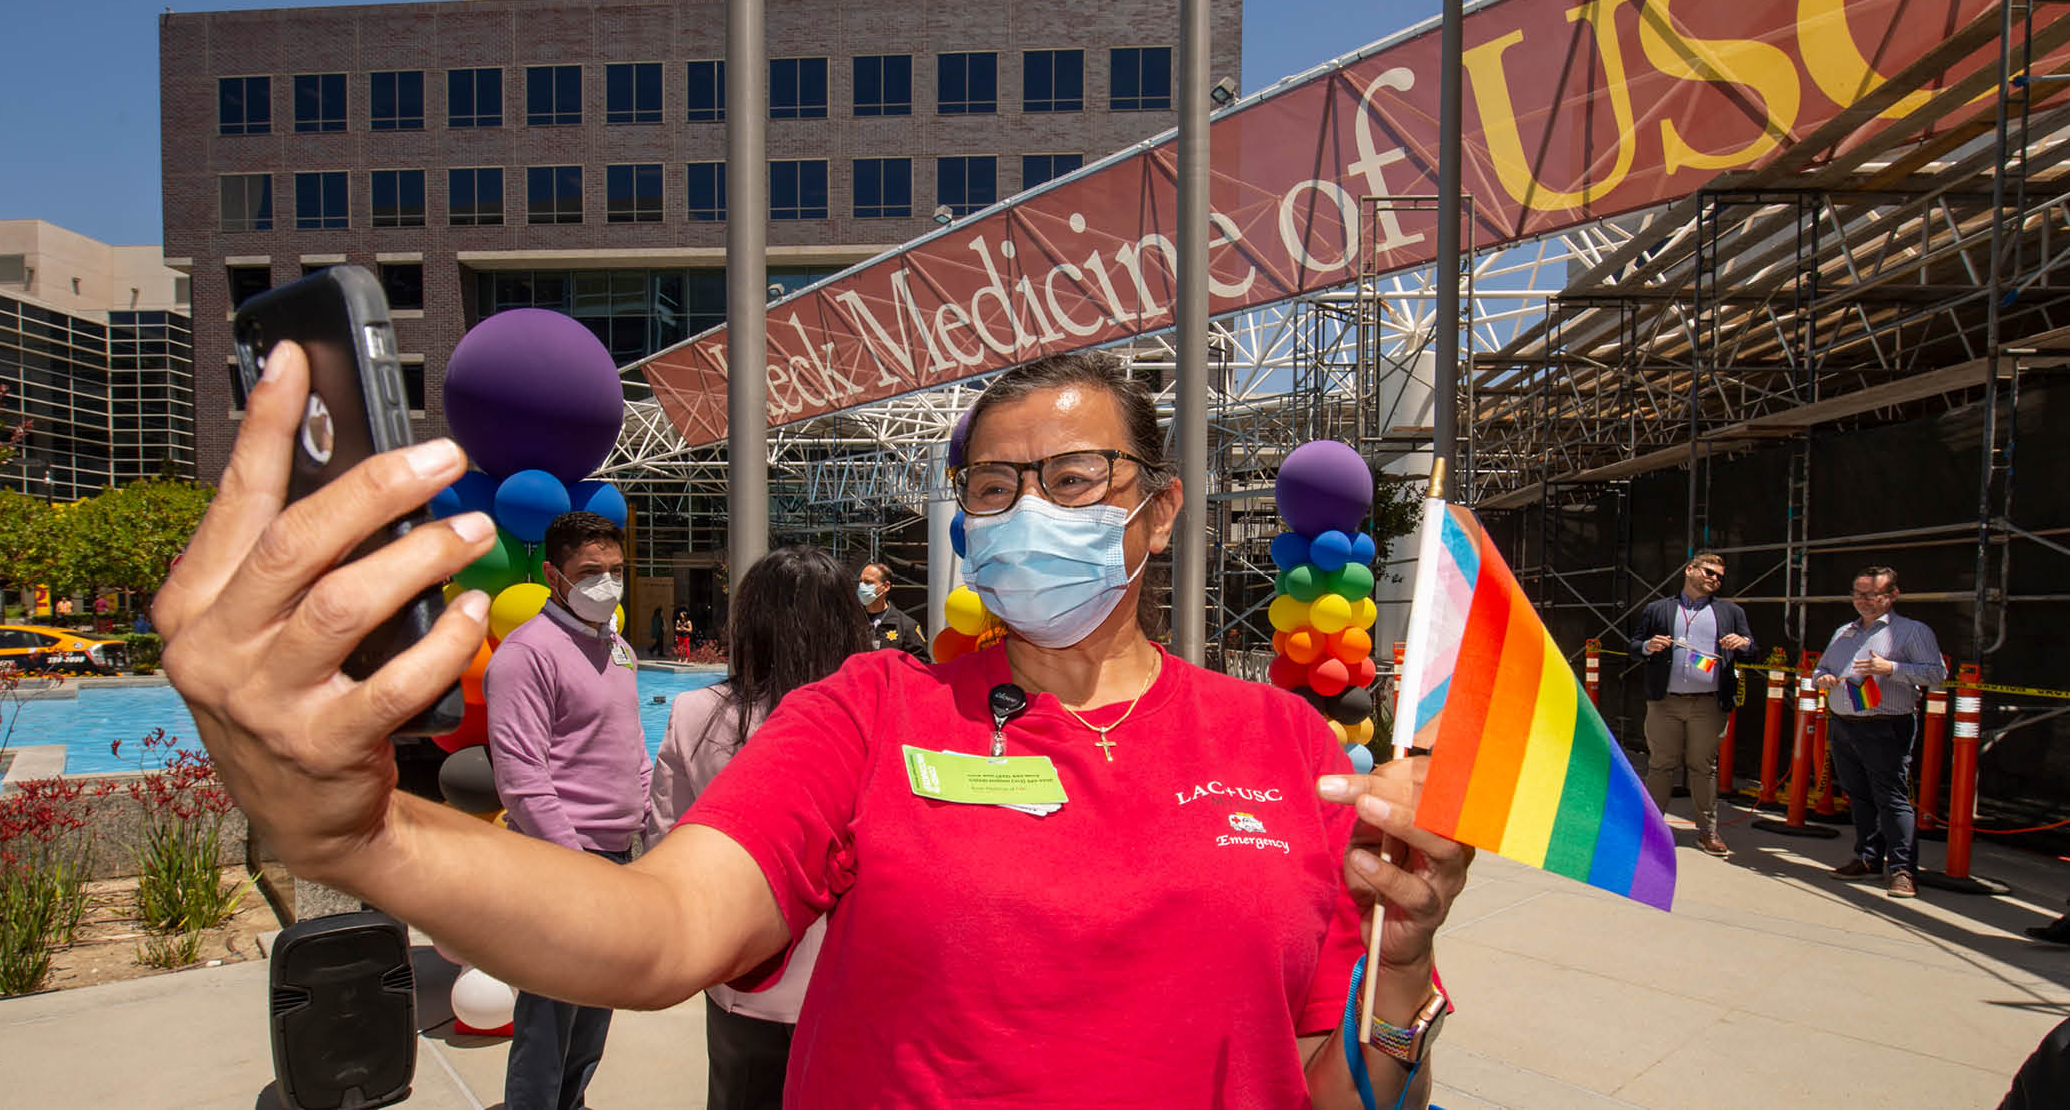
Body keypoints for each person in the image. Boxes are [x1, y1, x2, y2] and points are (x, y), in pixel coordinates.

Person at [148, 341, 1473, 1110]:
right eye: (994, 485)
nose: (1029, 511)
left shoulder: (1287, 750)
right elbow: (656, 928)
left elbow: (1345, 1077)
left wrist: (1401, 967)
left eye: (1075, 477)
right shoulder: (872, 712)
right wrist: (369, 832)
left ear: (1160, 507)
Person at [648, 546, 868, 1110]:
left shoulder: (697, 713)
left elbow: (665, 839)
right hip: (857, 982)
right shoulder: (877, 719)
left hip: (742, 976)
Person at [484, 509, 651, 1110]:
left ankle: (571, 1102)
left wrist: (651, 831)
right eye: (589, 572)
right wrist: (574, 861)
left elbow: (631, 748)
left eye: (615, 570)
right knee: (548, 1020)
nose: (606, 584)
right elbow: (522, 778)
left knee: (593, 1013)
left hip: (614, 856)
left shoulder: (619, 648)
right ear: (554, 575)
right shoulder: (527, 655)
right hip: (560, 862)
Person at [1812, 565, 1945, 899]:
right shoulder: (1845, 631)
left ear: (1893, 595)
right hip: (1844, 722)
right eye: (1859, 594)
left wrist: (1892, 669)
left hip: (1885, 725)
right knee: (1859, 796)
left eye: (1873, 595)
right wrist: (1822, 678)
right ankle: (1867, 858)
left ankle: (1902, 869)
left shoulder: (1913, 631)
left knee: (1891, 797)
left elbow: (1937, 673)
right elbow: (1822, 668)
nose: (1865, 601)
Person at [1629, 552, 1756, 857]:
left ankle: (1707, 831)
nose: (1714, 579)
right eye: (1709, 572)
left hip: (1708, 704)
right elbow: (1634, 646)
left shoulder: (1730, 612)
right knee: (1660, 764)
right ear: (1690, 570)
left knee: (1703, 767)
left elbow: (1752, 650)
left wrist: (1744, 644)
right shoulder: (1658, 609)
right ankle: (1652, 828)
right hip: (1666, 702)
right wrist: (1648, 647)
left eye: (1719, 577)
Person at [856, 560, 927, 661]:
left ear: (886, 586)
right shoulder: (851, 622)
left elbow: (921, 663)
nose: (862, 586)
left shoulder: (906, 626)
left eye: (868, 582)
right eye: (860, 581)